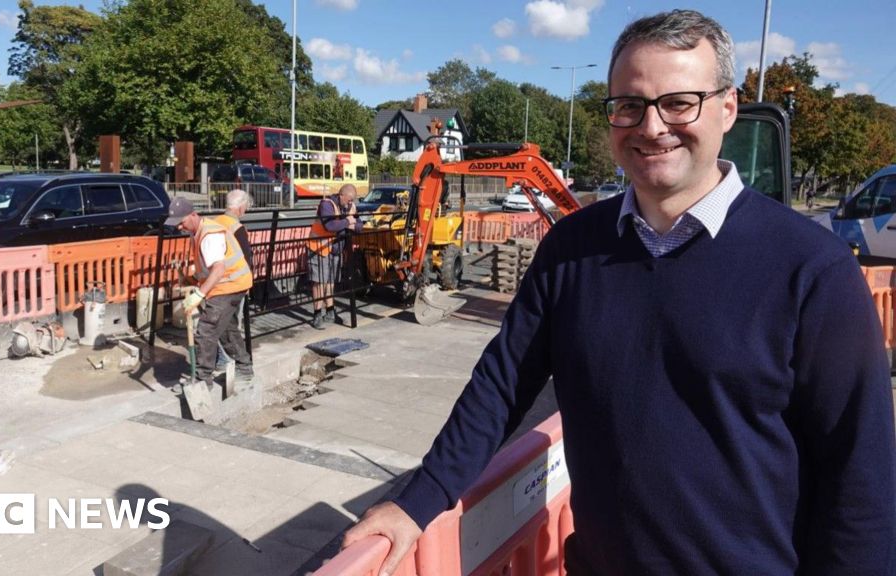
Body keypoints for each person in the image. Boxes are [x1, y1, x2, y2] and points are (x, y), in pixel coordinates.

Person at [343, 10, 895, 576]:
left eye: (680, 102)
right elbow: (502, 385)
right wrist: (417, 502)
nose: (652, 126)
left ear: (727, 107)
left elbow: (861, 478)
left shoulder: (812, 269)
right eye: (630, 105)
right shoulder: (572, 248)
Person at [167, 190, 255, 387]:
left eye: (181, 222)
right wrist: (190, 278)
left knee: (206, 330)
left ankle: (202, 379)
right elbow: (207, 269)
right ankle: (244, 368)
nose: (180, 227)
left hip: (229, 284)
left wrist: (199, 294)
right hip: (230, 284)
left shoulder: (209, 235)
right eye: (177, 224)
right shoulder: (198, 231)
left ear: (193, 214)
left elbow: (218, 269)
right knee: (226, 329)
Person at [308, 183, 362, 329]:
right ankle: (317, 314)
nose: (351, 203)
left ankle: (330, 311)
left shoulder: (350, 207)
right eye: (349, 199)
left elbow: (359, 226)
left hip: (335, 249)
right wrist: (347, 222)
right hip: (320, 247)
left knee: (330, 281)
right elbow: (330, 226)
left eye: (353, 200)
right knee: (319, 282)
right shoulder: (327, 204)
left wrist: (350, 223)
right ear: (341, 195)